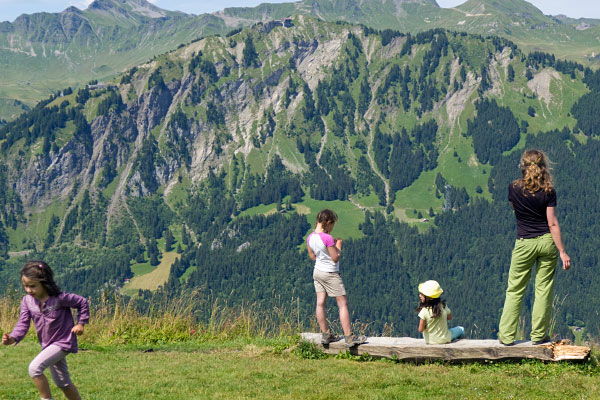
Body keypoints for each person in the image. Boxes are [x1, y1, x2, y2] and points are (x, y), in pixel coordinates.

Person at [498, 149, 571, 346]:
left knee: (515, 290)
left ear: (523, 166)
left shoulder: (513, 188)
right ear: (543, 167)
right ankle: (539, 336)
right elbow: (552, 223)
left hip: (524, 243)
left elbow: (517, 210)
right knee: (543, 289)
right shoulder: (549, 191)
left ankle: (506, 336)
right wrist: (562, 252)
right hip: (547, 242)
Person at [2, 261, 89, 400]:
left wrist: (81, 324)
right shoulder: (27, 301)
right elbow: (23, 324)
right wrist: (12, 337)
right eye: (26, 286)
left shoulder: (59, 298)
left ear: (45, 283)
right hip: (47, 345)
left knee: (34, 368)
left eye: (33, 286)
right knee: (63, 383)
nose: (29, 290)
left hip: (63, 342)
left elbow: (82, 302)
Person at [306, 209, 366, 347]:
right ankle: (349, 337)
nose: (332, 229)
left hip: (317, 272)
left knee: (320, 302)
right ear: (327, 222)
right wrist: (338, 245)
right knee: (342, 304)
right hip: (330, 273)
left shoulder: (310, 237)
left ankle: (325, 334)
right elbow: (335, 258)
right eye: (332, 225)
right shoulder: (327, 238)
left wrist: (323, 253)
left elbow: (312, 256)